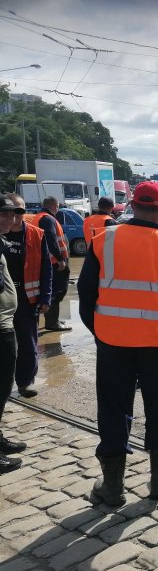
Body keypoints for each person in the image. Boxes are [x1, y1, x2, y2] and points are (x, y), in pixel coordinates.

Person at [78, 180, 158, 505]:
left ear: (131, 205)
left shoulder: (103, 241)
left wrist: (102, 331)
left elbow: (86, 297)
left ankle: (113, 487)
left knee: (114, 409)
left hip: (113, 343)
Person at [6, 194, 52, 398]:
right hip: (3, 300)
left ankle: (25, 382)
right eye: (12, 211)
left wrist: (46, 297)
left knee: (28, 343)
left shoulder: (37, 234)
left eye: (20, 211)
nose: (16, 215)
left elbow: (46, 268)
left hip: (27, 299)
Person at [0, 195, 27, 473]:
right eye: (5, 214)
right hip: (0, 328)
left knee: (3, 389)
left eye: (14, 214)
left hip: (5, 324)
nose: (12, 219)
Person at [29, 196, 70, 331]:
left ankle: (52, 320)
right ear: (54, 206)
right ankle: (52, 323)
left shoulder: (38, 217)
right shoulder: (48, 219)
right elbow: (51, 240)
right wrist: (60, 260)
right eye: (57, 206)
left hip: (43, 261)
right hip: (54, 263)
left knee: (50, 293)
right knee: (56, 293)